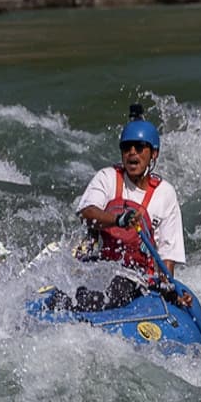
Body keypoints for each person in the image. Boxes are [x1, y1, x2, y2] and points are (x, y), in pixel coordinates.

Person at [67, 105, 190, 310]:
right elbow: (87, 213)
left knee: (117, 290)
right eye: (127, 147)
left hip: (135, 276)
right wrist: (119, 219)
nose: (132, 153)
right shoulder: (107, 177)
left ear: (154, 154)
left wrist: (170, 292)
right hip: (99, 264)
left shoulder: (165, 194)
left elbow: (167, 256)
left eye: (139, 147)